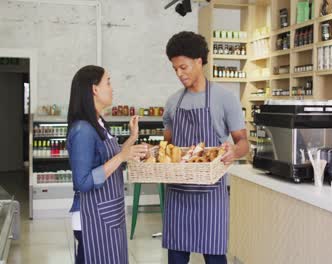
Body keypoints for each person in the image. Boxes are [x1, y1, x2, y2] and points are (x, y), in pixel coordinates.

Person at [162, 31, 249, 264]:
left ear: (199, 61)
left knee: (214, 257)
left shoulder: (225, 98)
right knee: (176, 257)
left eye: (184, 67)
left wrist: (234, 151)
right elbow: (167, 147)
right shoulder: (172, 102)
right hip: (178, 193)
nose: (179, 74)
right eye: (175, 69)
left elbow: (243, 142)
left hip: (211, 194)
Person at [67, 65, 147, 264]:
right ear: (94, 89)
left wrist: (132, 139)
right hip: (91, 219)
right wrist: (122, 157)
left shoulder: (99, 122)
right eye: (108, 82)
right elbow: (83, 182)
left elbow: (113, 156)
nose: (112, 88)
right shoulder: (82, 130)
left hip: (108, 214)